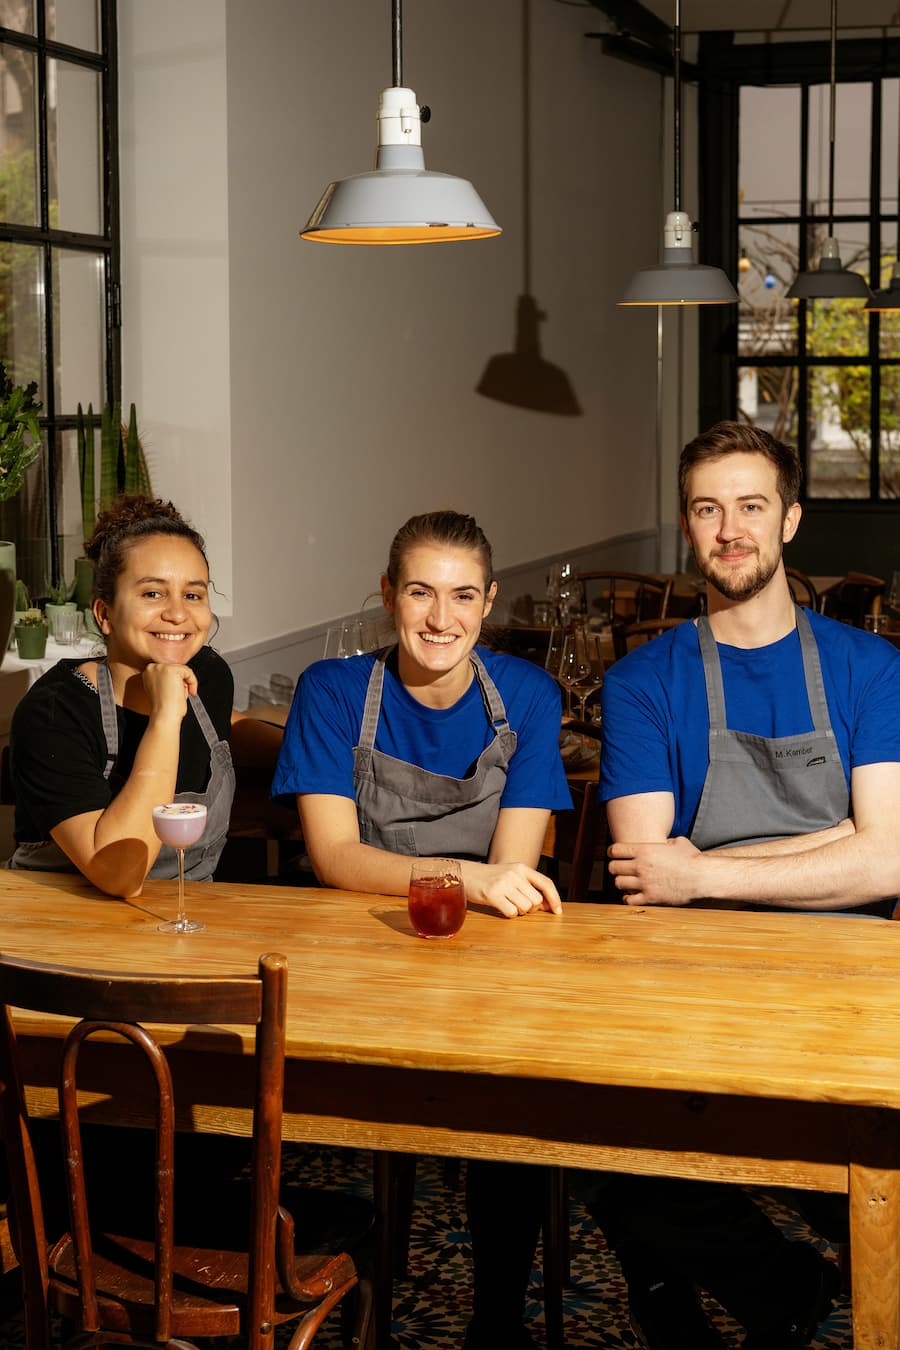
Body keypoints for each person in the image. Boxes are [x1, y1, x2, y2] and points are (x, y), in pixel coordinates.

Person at [593, 420, 900, 1348]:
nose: (731, 529)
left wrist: (709, 873)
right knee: (609, 1141)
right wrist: (833, 844)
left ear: (791, 520)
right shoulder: (645, 678)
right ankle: (778, 1291)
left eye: (752, 506)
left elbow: (890, 863)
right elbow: (649, 874)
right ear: (688, 527)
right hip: (695, 980)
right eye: (708, 509)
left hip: (849, 984)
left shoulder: (871, 668)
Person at [272, 508, 571, 1348]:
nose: (441, 619)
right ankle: (315, 1290)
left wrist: (478, 886)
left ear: (489, 603)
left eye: (462, 596)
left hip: (486, 969)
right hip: (357, 962)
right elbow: (334, 858)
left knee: (510, 1108)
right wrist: (466, 877)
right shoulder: (334, 692)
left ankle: (498, 1319)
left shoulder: (529, 698)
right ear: (387, 596)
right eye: (421, 593)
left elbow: (518, 867)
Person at [9, 494, 240, 896]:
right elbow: (119, 875)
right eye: (153, 593)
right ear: (105, 614)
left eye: (193, 594)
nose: (177, 614)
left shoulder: (210, 675)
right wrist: (167, 716)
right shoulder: (53, 712)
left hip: (192, 919)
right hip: (61, 935)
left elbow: (229, 730)